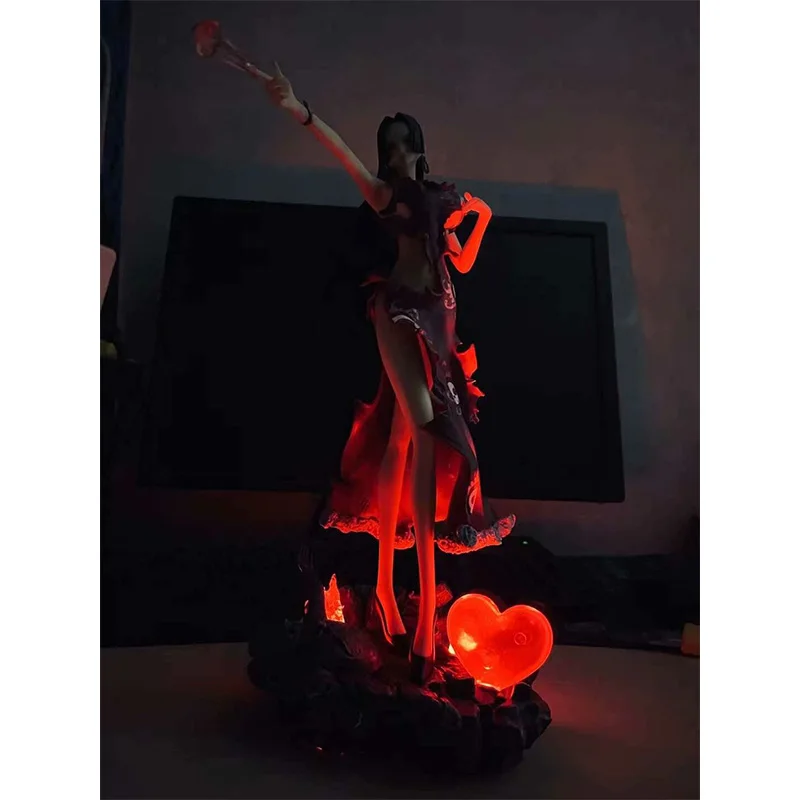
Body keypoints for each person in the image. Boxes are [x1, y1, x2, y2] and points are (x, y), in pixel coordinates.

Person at [264, 64, 516, 684]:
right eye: (389, 147)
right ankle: (424, 611)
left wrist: (481, 214)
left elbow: (462, 259)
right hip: (401, 312)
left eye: (404, 144)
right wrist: (300, 108)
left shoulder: (439, 199)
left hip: (441, 318)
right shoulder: (385, 195)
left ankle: (383, 587)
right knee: (427, 434)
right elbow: (342, 154)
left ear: (420, 149)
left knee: (405, 438)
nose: (396, 155)